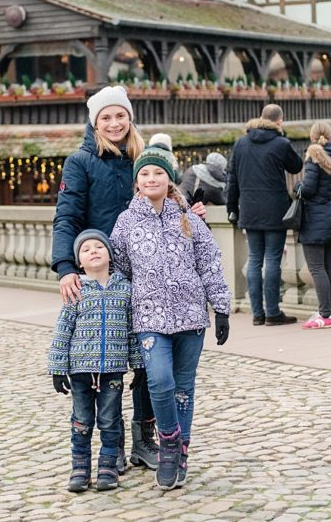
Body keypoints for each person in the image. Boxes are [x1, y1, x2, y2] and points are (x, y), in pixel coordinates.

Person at [50, 86, 206, 472]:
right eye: (106, 117)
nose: (115, 123)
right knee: (108, 364)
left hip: (150, 276)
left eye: (120, 116)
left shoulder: (144, 156)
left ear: (130, 118)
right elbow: (66, 218)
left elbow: (168, 196)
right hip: (105, 277)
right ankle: (112, 447)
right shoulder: (80, 162)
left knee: (149, 362)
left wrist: (188, 210)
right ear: (95, 122)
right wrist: (66, 267)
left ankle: (145, 440)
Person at [110, 142, 231, 490]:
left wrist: (220, 308)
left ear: (169, 179)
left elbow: (209, 264)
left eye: (158, 173)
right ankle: (169, 443)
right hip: (149, 319)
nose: (151, 178)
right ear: (137, 181)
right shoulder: (126, 222)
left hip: (191, 318)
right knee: (159, 382)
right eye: (144, 173)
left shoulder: (189, 219)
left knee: (183, 389)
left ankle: (181, 453)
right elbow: (119, 269)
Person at [48, 229, 144, 493]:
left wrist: (138, 364)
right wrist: (58, 368)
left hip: (112, 371)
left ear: (109, 255)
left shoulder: (125, 289)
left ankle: (108, 466)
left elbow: (131, 330)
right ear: (79, 261)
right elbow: (62, 330)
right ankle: (79, 468)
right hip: (80, 371)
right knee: (81, 421)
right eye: (86, 249)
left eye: (99, 247)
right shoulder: (76, 290)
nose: (93, 251)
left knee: (110, 420)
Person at [226, 103, 304, 326]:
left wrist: (232, 208)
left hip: (249, 210)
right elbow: (296, 166)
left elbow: (232, 179)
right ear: (279, 121)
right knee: (272, 261)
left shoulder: (241, 143)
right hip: (274, 210)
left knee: (254, 260)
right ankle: (272, 313)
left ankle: (257, 314)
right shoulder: (281, 143)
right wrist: (283, 135)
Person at [296, 121, 331, 329]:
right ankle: (325, 311)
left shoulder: (315, 156)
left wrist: (298, 187)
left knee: (317, 268)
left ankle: (325, 315)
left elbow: (309, 188)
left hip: (314, 218)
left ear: (313, 136)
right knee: (328, 267)